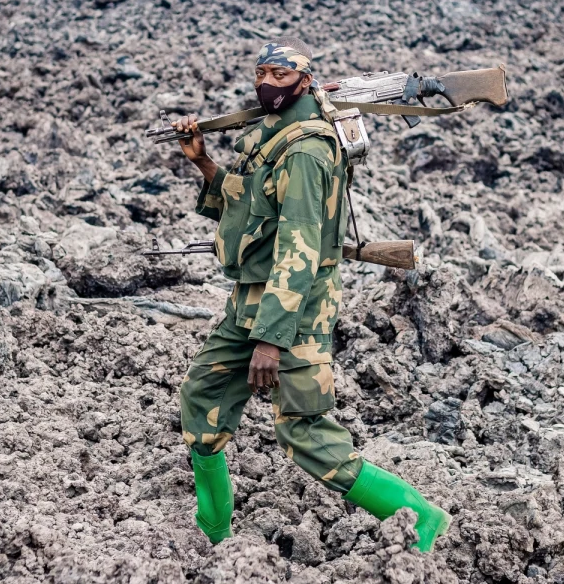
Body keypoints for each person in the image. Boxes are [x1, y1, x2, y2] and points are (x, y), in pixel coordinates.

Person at [170, 37, 451, 553]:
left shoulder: (306, 151)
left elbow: (298, 248)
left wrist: (270, 340)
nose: (267, 83)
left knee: (304, 431)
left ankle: (420, 517)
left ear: (304, 81)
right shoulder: (274, 133)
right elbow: (253, 205)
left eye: (280, 76)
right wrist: (204, 163)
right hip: (252, 301)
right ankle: (213, 532)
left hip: (294, 311)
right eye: (262, 73)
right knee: (202, 397)